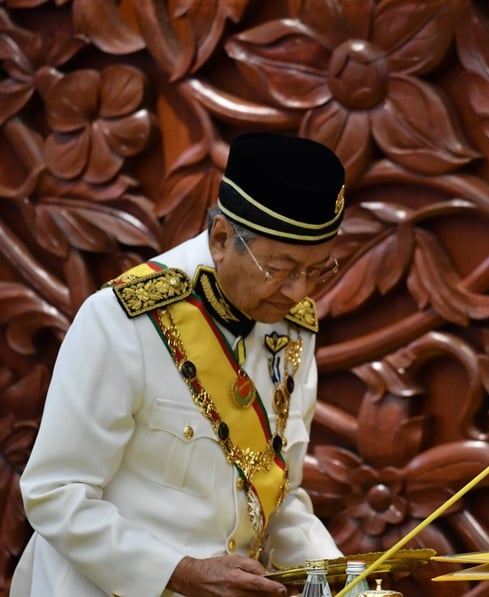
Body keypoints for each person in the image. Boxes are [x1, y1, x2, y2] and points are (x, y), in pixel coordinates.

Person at [11, 133, 347, 596]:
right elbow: (55, 494)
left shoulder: (292, 328)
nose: (299, 292)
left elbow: (277, 500)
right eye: (282, 268)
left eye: (318, 270)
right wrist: (181, 571)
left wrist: (347, 579)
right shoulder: (122, 320)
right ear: (223, 237)